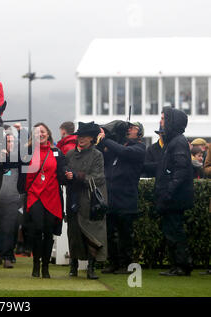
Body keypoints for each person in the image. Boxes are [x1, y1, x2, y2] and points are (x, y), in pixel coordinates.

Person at [16, 122, 66, 279]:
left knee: (49, 232)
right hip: (34, 196)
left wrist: (69, 175)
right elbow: (19, 170)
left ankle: (46, 267)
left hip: (52, 197)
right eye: (37, 132)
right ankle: (36, 265)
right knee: (37, 230)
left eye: (43, 132)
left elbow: (62, 173)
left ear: (48, 133)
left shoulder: (57, 152)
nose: (41, 134)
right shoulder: (27, 152)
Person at [97, 122, 146, 274]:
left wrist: (105, 140)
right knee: (110, 234)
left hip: (126, 199)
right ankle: (114, 263)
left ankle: (127, 264)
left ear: (140, 133)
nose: (129, 129)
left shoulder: (139, 148)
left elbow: (124, 152)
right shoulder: (118, 146)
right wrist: (103, 138)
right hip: (111, 198)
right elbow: (101, 153)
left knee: (125, 235)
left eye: (133, 128)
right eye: (128, 127)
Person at [64, 121, 107, 280]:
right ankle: (73, 266)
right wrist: (66, 176)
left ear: (92, 138)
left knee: (92, 234)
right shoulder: (69, 154)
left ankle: (91, 267)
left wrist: (77, 176)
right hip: (73, 199)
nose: (81, 139)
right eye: (79, 136)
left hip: (89, 200)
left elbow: (99, 177)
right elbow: (64, 174)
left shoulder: (97, 155)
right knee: (73, 233)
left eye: (85, 136)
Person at [155, 106, 194, 276]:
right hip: (172, 197)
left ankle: (181, 266)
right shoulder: (175, 141)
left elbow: (181, 170)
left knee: (175, 232)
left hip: (174, 198)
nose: (160, 121)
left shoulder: (177, 142)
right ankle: (178, 265)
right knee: (172, 231)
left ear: (171, 121)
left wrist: (168, 192)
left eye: (163, 118)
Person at [0, 126, 21, 268]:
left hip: (12, 198)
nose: (10, 144)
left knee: (9, 228)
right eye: (7, 141)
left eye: (12, 141)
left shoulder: (17, 158)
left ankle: (7, 256)